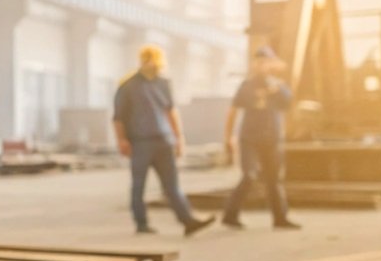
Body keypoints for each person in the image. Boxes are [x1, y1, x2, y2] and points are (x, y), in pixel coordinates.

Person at [112, 44, 215, 236]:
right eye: (148, 59)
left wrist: (178, 138)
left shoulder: (163, 83)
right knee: (138, 185)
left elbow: (171, 112)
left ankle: (188, 221)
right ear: (142, 61)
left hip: (164, 141)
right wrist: (122, 140)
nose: (152, 63)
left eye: (155, 60)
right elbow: (118, 118)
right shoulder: (127, 86)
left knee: (172, 185)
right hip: (140, 142)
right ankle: (141, 223)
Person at [222, 47, 302, 230]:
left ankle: (280, 218)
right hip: (249, 138)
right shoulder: (246, 86)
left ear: (271, 64)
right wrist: (228, 137)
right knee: (249, 175)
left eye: (265, 61)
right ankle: (230, 215)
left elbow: (289, 104)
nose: (261, 65)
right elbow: (233, 111)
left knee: (274, 179)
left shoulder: (279, 85)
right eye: (259, 61)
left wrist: (276, 90)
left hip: (272, 138)